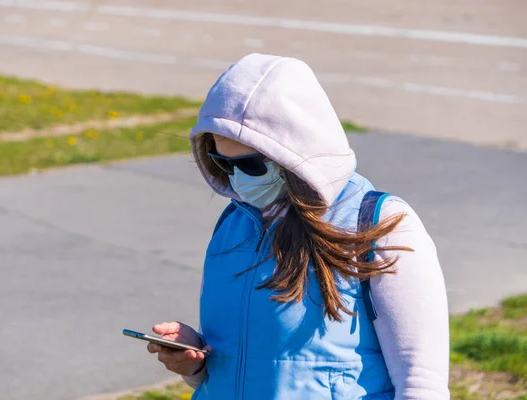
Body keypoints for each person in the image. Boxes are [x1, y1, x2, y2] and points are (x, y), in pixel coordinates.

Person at [147, 53, 450, 399]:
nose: (237, 179)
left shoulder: (380, 224)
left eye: (251, 165)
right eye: (221, 162)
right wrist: (195, 365)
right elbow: (241, 366)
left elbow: (420, 382)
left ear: (296, 153)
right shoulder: (235, 223)